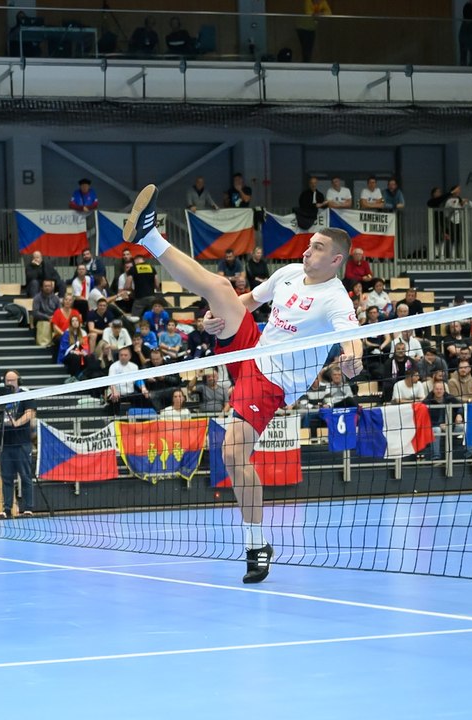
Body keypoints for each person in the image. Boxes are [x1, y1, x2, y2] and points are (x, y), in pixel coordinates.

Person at [123, 183, 360, 583]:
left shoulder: (336, 299)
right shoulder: (288, 273)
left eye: (317, 247)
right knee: (219, 288)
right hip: (250, 349)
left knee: (233, 453)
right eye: (309, 244)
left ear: (336, 259)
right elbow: (247, 301)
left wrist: (352, 357)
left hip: (273, 381)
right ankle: (149, 235)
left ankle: (256, 542)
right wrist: (215, 319)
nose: (307, 250)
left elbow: (350, 335)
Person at [0, 370, 36, 518]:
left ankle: (28, 508)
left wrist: (17, 423)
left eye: (12, 381)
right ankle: (7, 508)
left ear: (18, 381)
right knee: (6, 477)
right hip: (4, 443)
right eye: (7, 381)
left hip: (22, 442)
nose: (10, 384)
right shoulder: (1, 396)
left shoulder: (25, 394)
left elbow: (30, 413)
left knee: (25, 476)